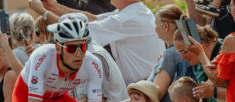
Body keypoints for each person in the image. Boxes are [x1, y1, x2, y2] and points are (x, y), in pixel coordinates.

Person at [29, 0, 165, 85]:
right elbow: (94, 19)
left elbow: (77, 33)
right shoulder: (132, 12)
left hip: (143, 92)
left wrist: (43, 12)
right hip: (143, 88)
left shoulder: (128, 18)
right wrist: (54, 6)